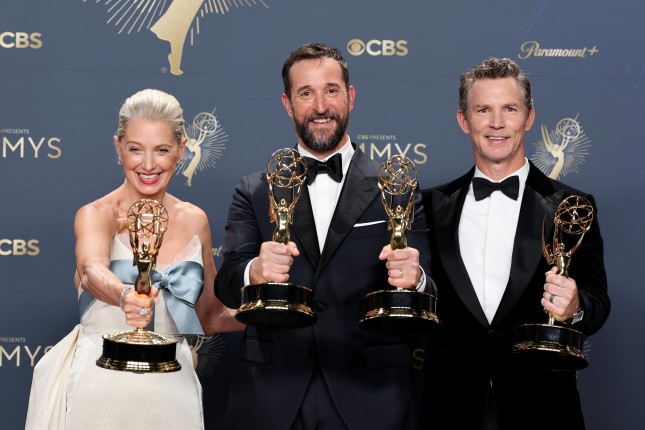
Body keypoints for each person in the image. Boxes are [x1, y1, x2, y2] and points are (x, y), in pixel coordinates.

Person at [214, 42, 435, 430]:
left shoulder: (395, 187)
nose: (320, 106)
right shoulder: (254, 189)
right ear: (287, 104)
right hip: (271, 394)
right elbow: (227, 284)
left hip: (369, 395)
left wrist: (415, 279)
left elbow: (430, 291)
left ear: (350, 97)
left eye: (331, 90)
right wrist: (254, 272)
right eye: (306, 93)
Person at [25, 88, 242, 430]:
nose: (148, 165)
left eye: (162, 150)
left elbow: (210, 315)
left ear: (181, 150)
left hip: (173, 384)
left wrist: (270, 313)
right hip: (101, 382)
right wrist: (125, 295)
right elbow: (91, 270)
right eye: (135, 149)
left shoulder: (195, 220)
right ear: (118, 148)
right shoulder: (98, 214)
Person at [419, 57, 610, 429]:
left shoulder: (571, 207)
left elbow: (598, 303)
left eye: (509, 109)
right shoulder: (427, 206)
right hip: (449, 406)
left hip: (542, 408)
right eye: (483, 110)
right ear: (463, 120)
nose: (497, 123)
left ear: (529, 117)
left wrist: (575, 307)